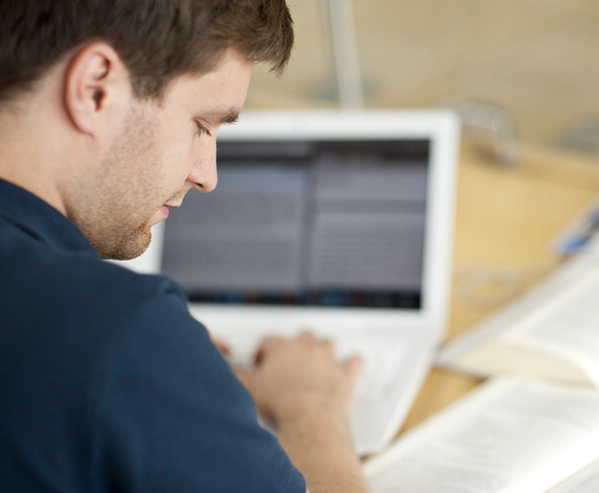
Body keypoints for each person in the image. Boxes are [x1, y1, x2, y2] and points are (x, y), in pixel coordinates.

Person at [0, 1, 369, 492]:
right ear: (94, 89)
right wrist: (312, 409)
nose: (206, 175)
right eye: (201, 125)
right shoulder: (121, 332)